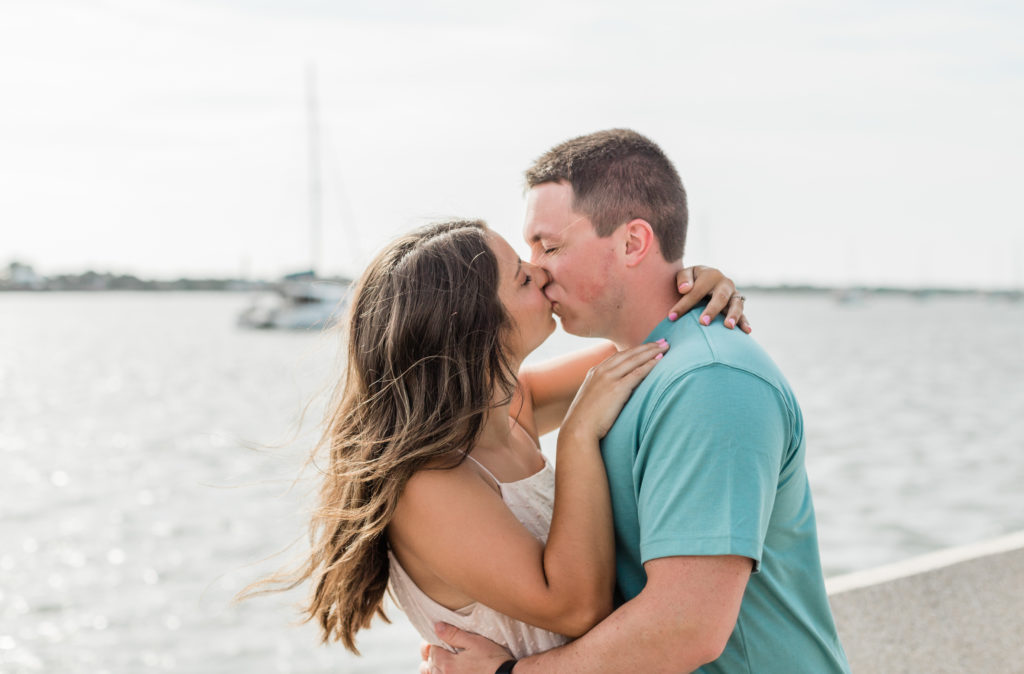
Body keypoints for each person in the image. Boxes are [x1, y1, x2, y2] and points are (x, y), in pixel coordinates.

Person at [426, 130, 850, 673]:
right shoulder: (636, 367)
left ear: (632, 243)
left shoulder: (711, 383)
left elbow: (685, 629)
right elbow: (493, 402)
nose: (539, 271)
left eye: (550, 246)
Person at [243, 219, 749, 659]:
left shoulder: (509, 408)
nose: (544, 272)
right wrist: (576, 439)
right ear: (476, 325)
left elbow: (653, 344)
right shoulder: (429, 484)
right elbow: (575, 607)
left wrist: (692, 291)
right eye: (523, 277)